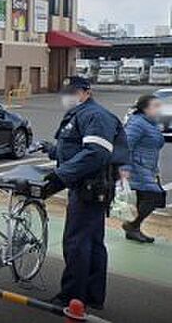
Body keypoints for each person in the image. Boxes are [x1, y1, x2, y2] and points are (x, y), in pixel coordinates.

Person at [41, 76, 126, 311]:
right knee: (92, 242)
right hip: (86, 187)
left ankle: (71, 297)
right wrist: (51, 150)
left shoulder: (95, 115)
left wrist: (60, 175)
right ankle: (92, 296)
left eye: (74, 91)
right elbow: (75, 148)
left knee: (77, 242)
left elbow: (95, 153)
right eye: (66, 92)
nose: (68, 96)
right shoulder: (81, 114)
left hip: (90, 188)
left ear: (87, 92)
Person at [122, 94, 166, 243]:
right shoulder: (137, 123)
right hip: (137, 167)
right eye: (156, 106)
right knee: (154, 196)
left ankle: (134, 228)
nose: (159, 109)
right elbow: (126, 145)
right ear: (145, 108)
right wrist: (125, 167)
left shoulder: (151, 123)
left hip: (148, 167)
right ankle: (132, 225)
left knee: (145, 198)